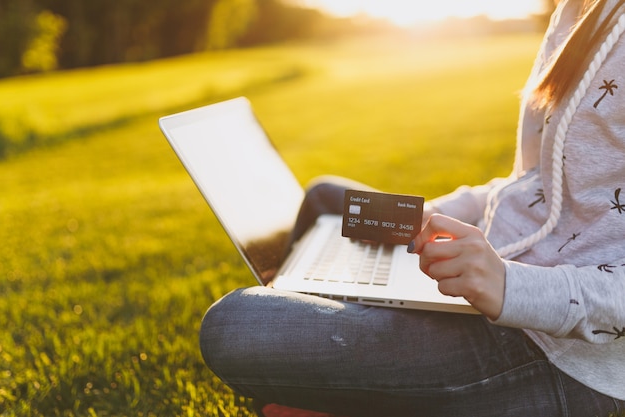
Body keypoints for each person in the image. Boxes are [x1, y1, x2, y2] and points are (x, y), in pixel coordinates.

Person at [199, 0, 625, 415]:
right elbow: (537, 184)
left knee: (233, 326)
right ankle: (351, 345)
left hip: (559, 351)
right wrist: (434, 214)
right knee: (326, 199)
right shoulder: (583, 9)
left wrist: (509, 286)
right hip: (498, 275)